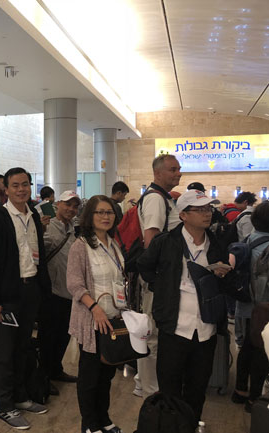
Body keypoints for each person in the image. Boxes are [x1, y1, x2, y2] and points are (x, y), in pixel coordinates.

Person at [138, 189, 240, 429]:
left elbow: (228, 285)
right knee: (169, 389)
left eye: (209, 209)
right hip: (174, 327)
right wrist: (164, 287)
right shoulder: (166, 242)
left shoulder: (216, 244)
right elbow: (144, 266)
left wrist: (223, 275)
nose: (207, 214)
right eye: (200, 209)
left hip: (205, 328)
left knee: (197, 388)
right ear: (183, 215)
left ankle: (190, 426)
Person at [0, 167, 52, 430]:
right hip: (8, 296)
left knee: (23, 347)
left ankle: (20, 396)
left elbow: (39, 255)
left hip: (30, 291)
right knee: (4, 352)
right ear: (6, 189)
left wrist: (42, 290)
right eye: (15, 185)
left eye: (25, 184)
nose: (21, 189)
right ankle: (4, 405)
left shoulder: (33, 215)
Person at [66, 195, 126, 433]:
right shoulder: (81, 246)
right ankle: (89, 424)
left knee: (107, 373)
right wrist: (95, 308)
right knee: (90, 375)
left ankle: (104, 418)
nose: (105, 217)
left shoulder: (113, 244)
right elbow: (74, 284)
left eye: (109, 212)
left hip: (113, 318)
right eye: (99, 212)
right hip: (92, 320)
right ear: (89, 216)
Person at [135, 154, 182, 399]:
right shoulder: (155, 199)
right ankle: (149, 390)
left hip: (163, 277)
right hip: (158, 278)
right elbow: (151, 240)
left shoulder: (165, 198)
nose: (178, 173)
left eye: (179, 169)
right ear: (158, 173)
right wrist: (156, 278)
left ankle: (144, 382)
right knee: (151, 334)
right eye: (173, 169)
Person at [38, 190, 81, 392]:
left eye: (75, 206)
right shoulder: (47, 226)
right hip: (51, 292)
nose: (71, 209)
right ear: (57, 205)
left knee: (64, 334)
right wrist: (40, 230)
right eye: (67, 204)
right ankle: (43, 377)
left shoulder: (74, 229)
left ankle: (56, 369)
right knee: (48, 336)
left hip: (69, 291)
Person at [231, 202, 269, 412]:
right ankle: (254, 399)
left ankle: (240, 391)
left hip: (245, 304)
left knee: (247, 347)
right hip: (264, 309)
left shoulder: (247, 241)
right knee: (261, 353)